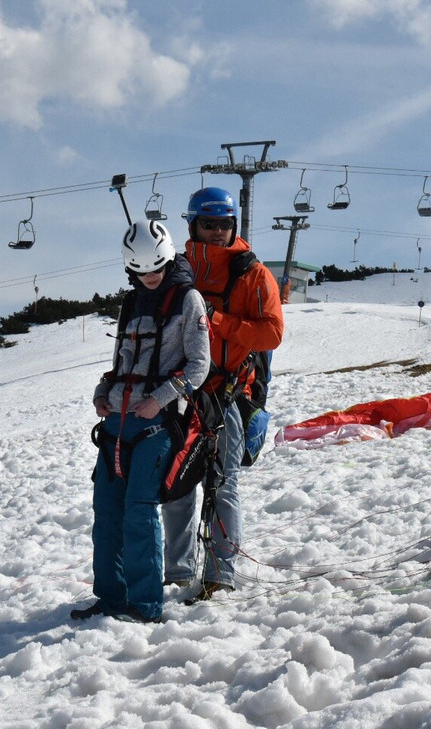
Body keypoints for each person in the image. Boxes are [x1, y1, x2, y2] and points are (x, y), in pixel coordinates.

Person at [72, 221, 210, 623]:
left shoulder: (189, 300)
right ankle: (111, 598)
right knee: (107, 512)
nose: (150, 277)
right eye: (141, 271)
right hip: (116, 422)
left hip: (156, 423)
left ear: (167, 260)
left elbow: (199, 365)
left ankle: (145, 604)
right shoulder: (131, 302)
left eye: (157, 269)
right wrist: (102, 391)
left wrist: (159, 400)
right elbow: (120, 362)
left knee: (139, 510)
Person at [162, 186, 284, 600]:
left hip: (226, 394)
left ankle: (220, 576)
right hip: (180, 394)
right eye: (209, 223)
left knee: (222, 484)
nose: (217, 231)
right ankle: (177, 574)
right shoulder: (177, 269)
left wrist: (218, 321)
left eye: (224, 224)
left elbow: (271, 334)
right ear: (193, 226)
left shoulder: (254, 275)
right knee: (177, 485)